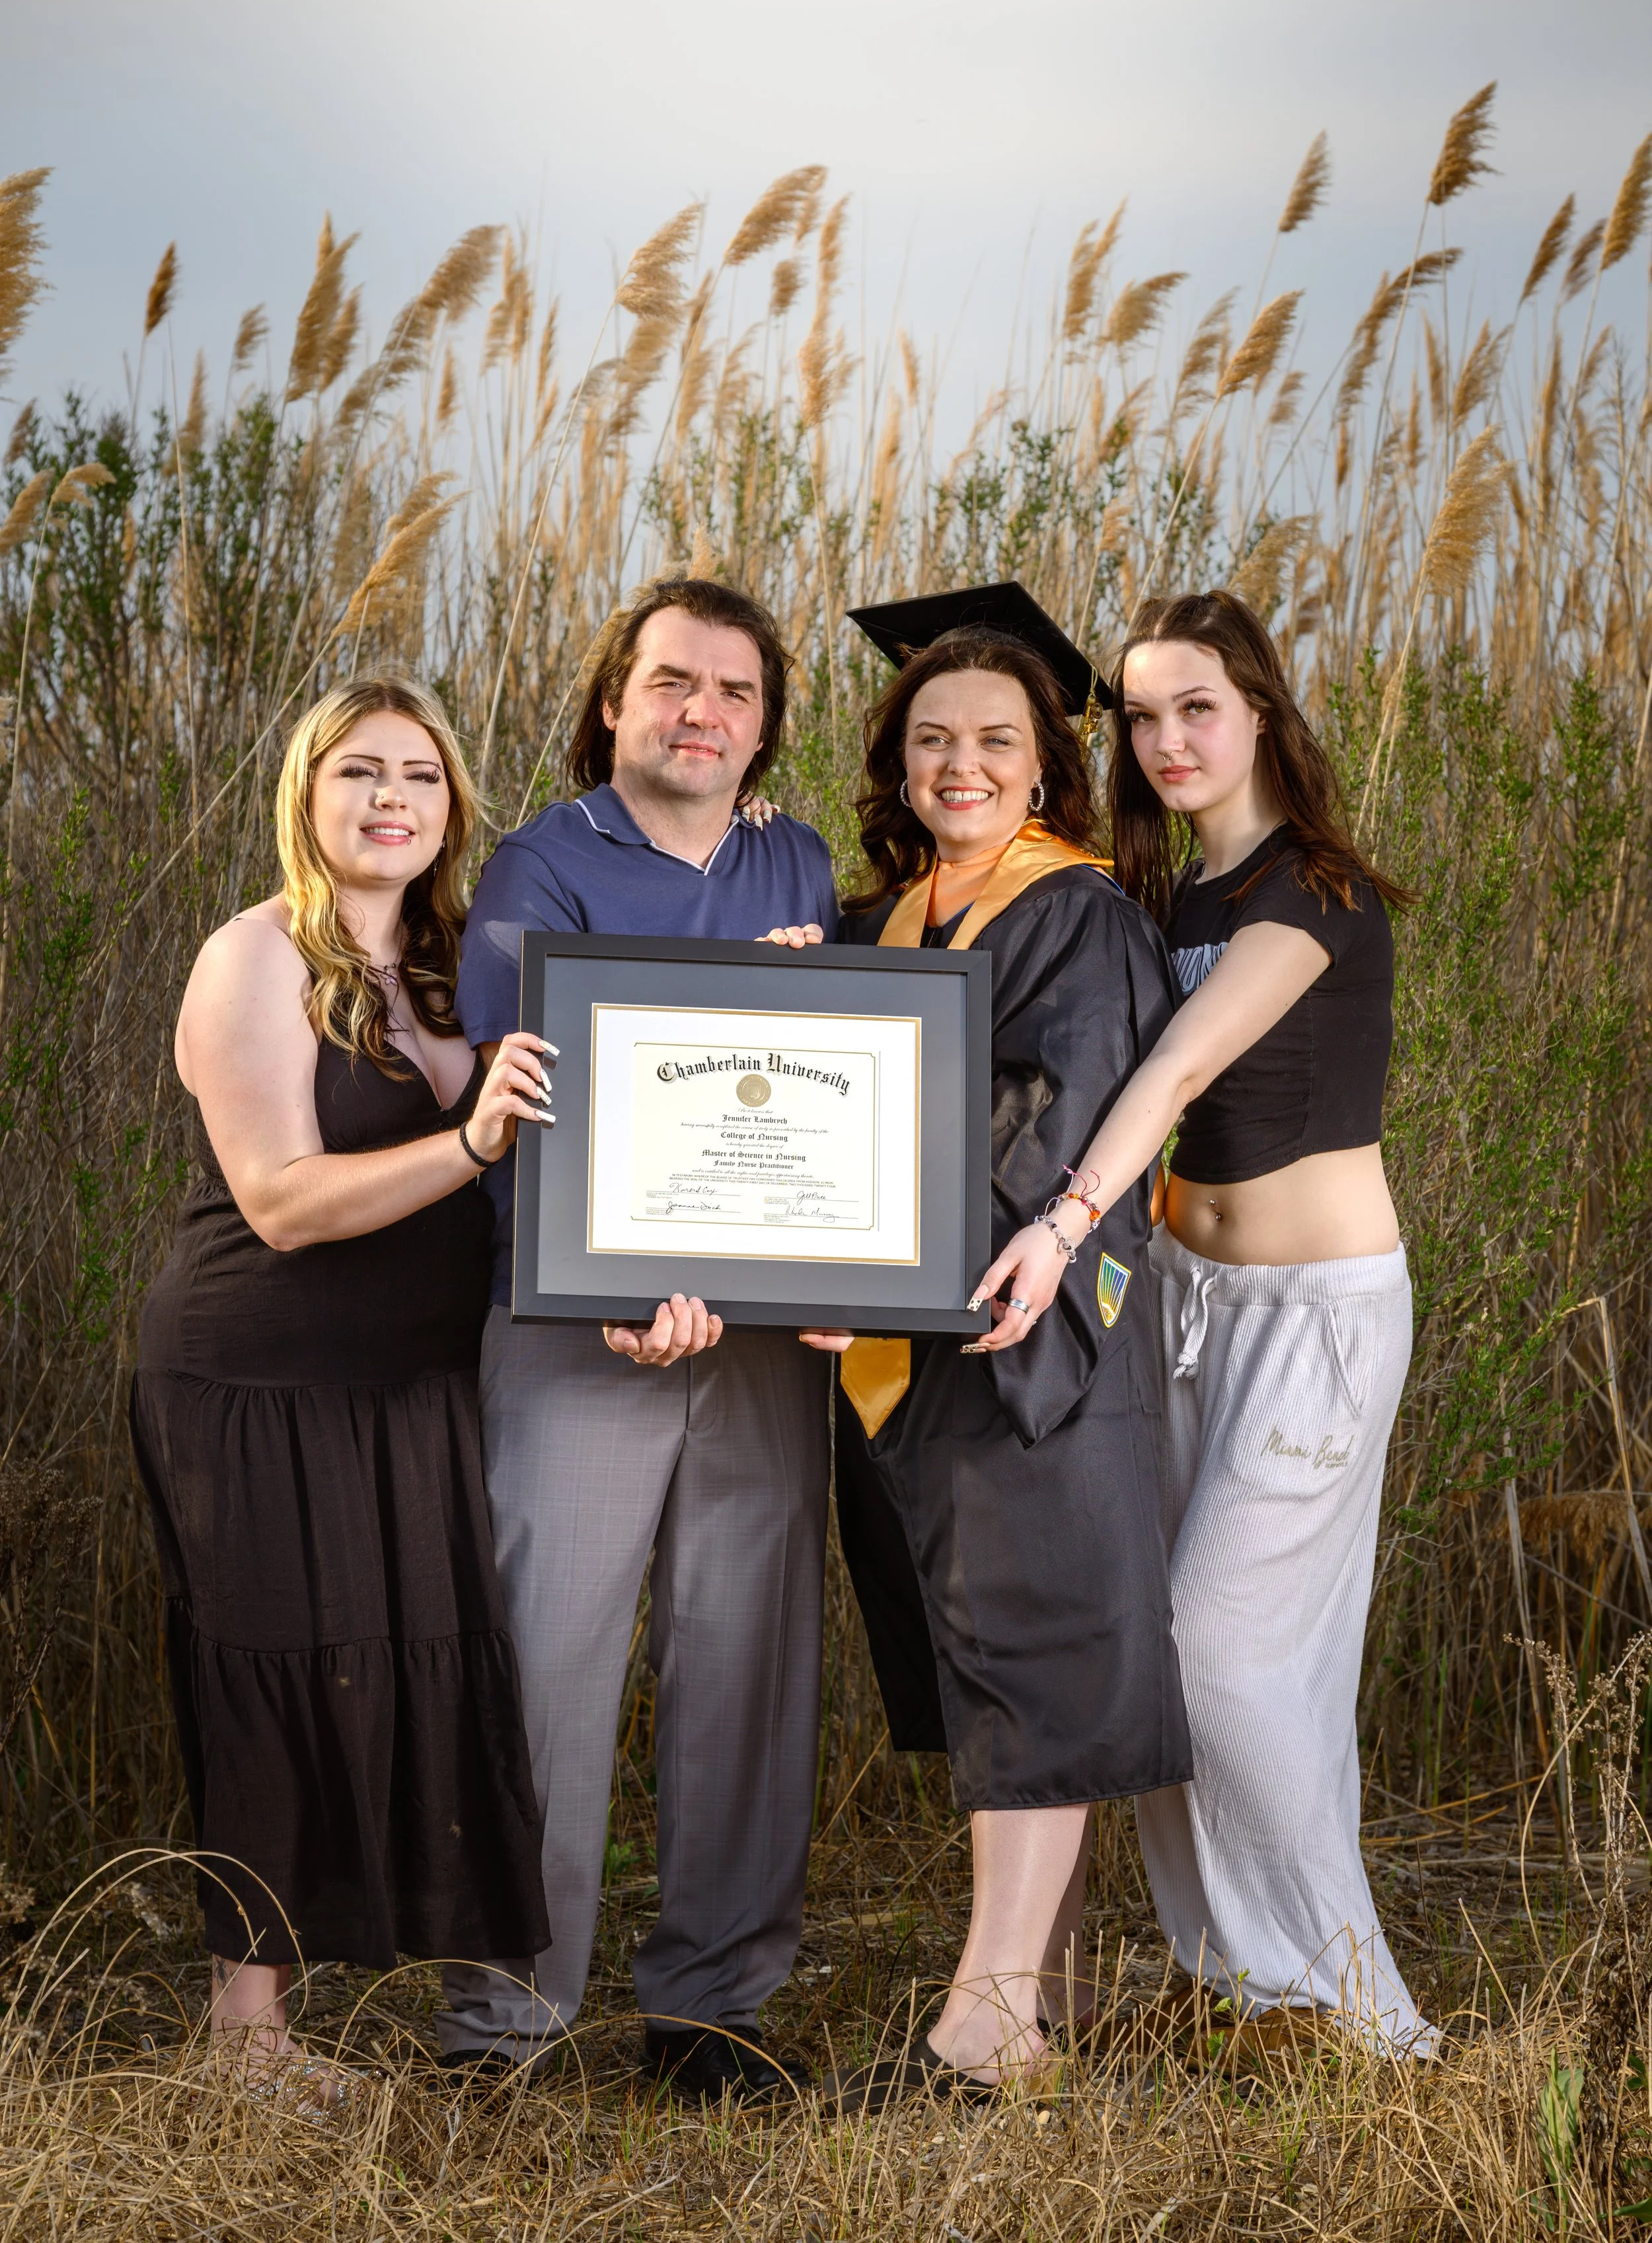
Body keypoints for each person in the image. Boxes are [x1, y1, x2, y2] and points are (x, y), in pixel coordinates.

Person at [975, 588, 1435, 2053]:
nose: (1167, 738)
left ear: (1257, 714)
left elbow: (1172, 1073)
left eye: (1197, 707)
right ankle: (1242, 1984)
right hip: (1181, 1305)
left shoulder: (1313, 886)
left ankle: (1360, 2008)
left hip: (1315, 1316)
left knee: (1217, 1648)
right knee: (1152, 1652)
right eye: (1141, 713)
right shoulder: (1152, 896)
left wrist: (1058, 1225)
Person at [783, 583, 1191, 2102]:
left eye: (993, 741)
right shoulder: (878, 918)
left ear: (1044, 766)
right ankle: (1038, 1999)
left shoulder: (1075, 910)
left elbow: (1057, 1135)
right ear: (896, 762)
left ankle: (989, 2017)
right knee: (997, 1664)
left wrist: (886, 1286)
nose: (958, 764)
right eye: (930, 739)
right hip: (915, 1362)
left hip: (1024, 1356)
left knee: (1037, 1662)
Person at [437, 576, 839, 2099]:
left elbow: (838, 1101)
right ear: (614, 698)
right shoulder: (541, 865)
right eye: (671, 682)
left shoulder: (794, 857)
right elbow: (524, 1100)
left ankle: (712, 2010)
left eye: (733, 692)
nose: (701, 713)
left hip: (755, 1347)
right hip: (577, 1330)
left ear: (762, 726)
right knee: (549, 1666)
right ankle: (503, 2019)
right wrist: (613, 1289)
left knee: (749, 1659)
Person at [129, 675, 553, 2101]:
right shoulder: (251, 957)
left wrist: (777, 965)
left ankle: (328, 2005)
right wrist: (472, 1147)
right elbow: (286, 1200)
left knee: (384, 1665)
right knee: (275, 1675)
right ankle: (245, 2046)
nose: (391, 800)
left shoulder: (462, 968)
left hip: (414, 1380)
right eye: (360, 773)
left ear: (453, 806)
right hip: (258, 1373)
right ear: (305, 797)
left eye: (420, 777)